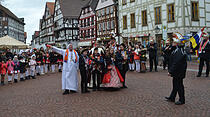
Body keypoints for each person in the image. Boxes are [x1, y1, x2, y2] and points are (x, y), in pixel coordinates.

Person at [165, 37, 187, 105]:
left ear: (177, 43)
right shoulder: (176, 49)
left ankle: (182, 99)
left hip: (179, 71)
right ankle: (172, 97)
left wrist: (170, 71)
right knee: (175, 85)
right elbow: (166, 53)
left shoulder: (179, 51)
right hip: (177, 71)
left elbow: (176, 62)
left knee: (179, 85)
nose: (172, 43)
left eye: (173, 42)